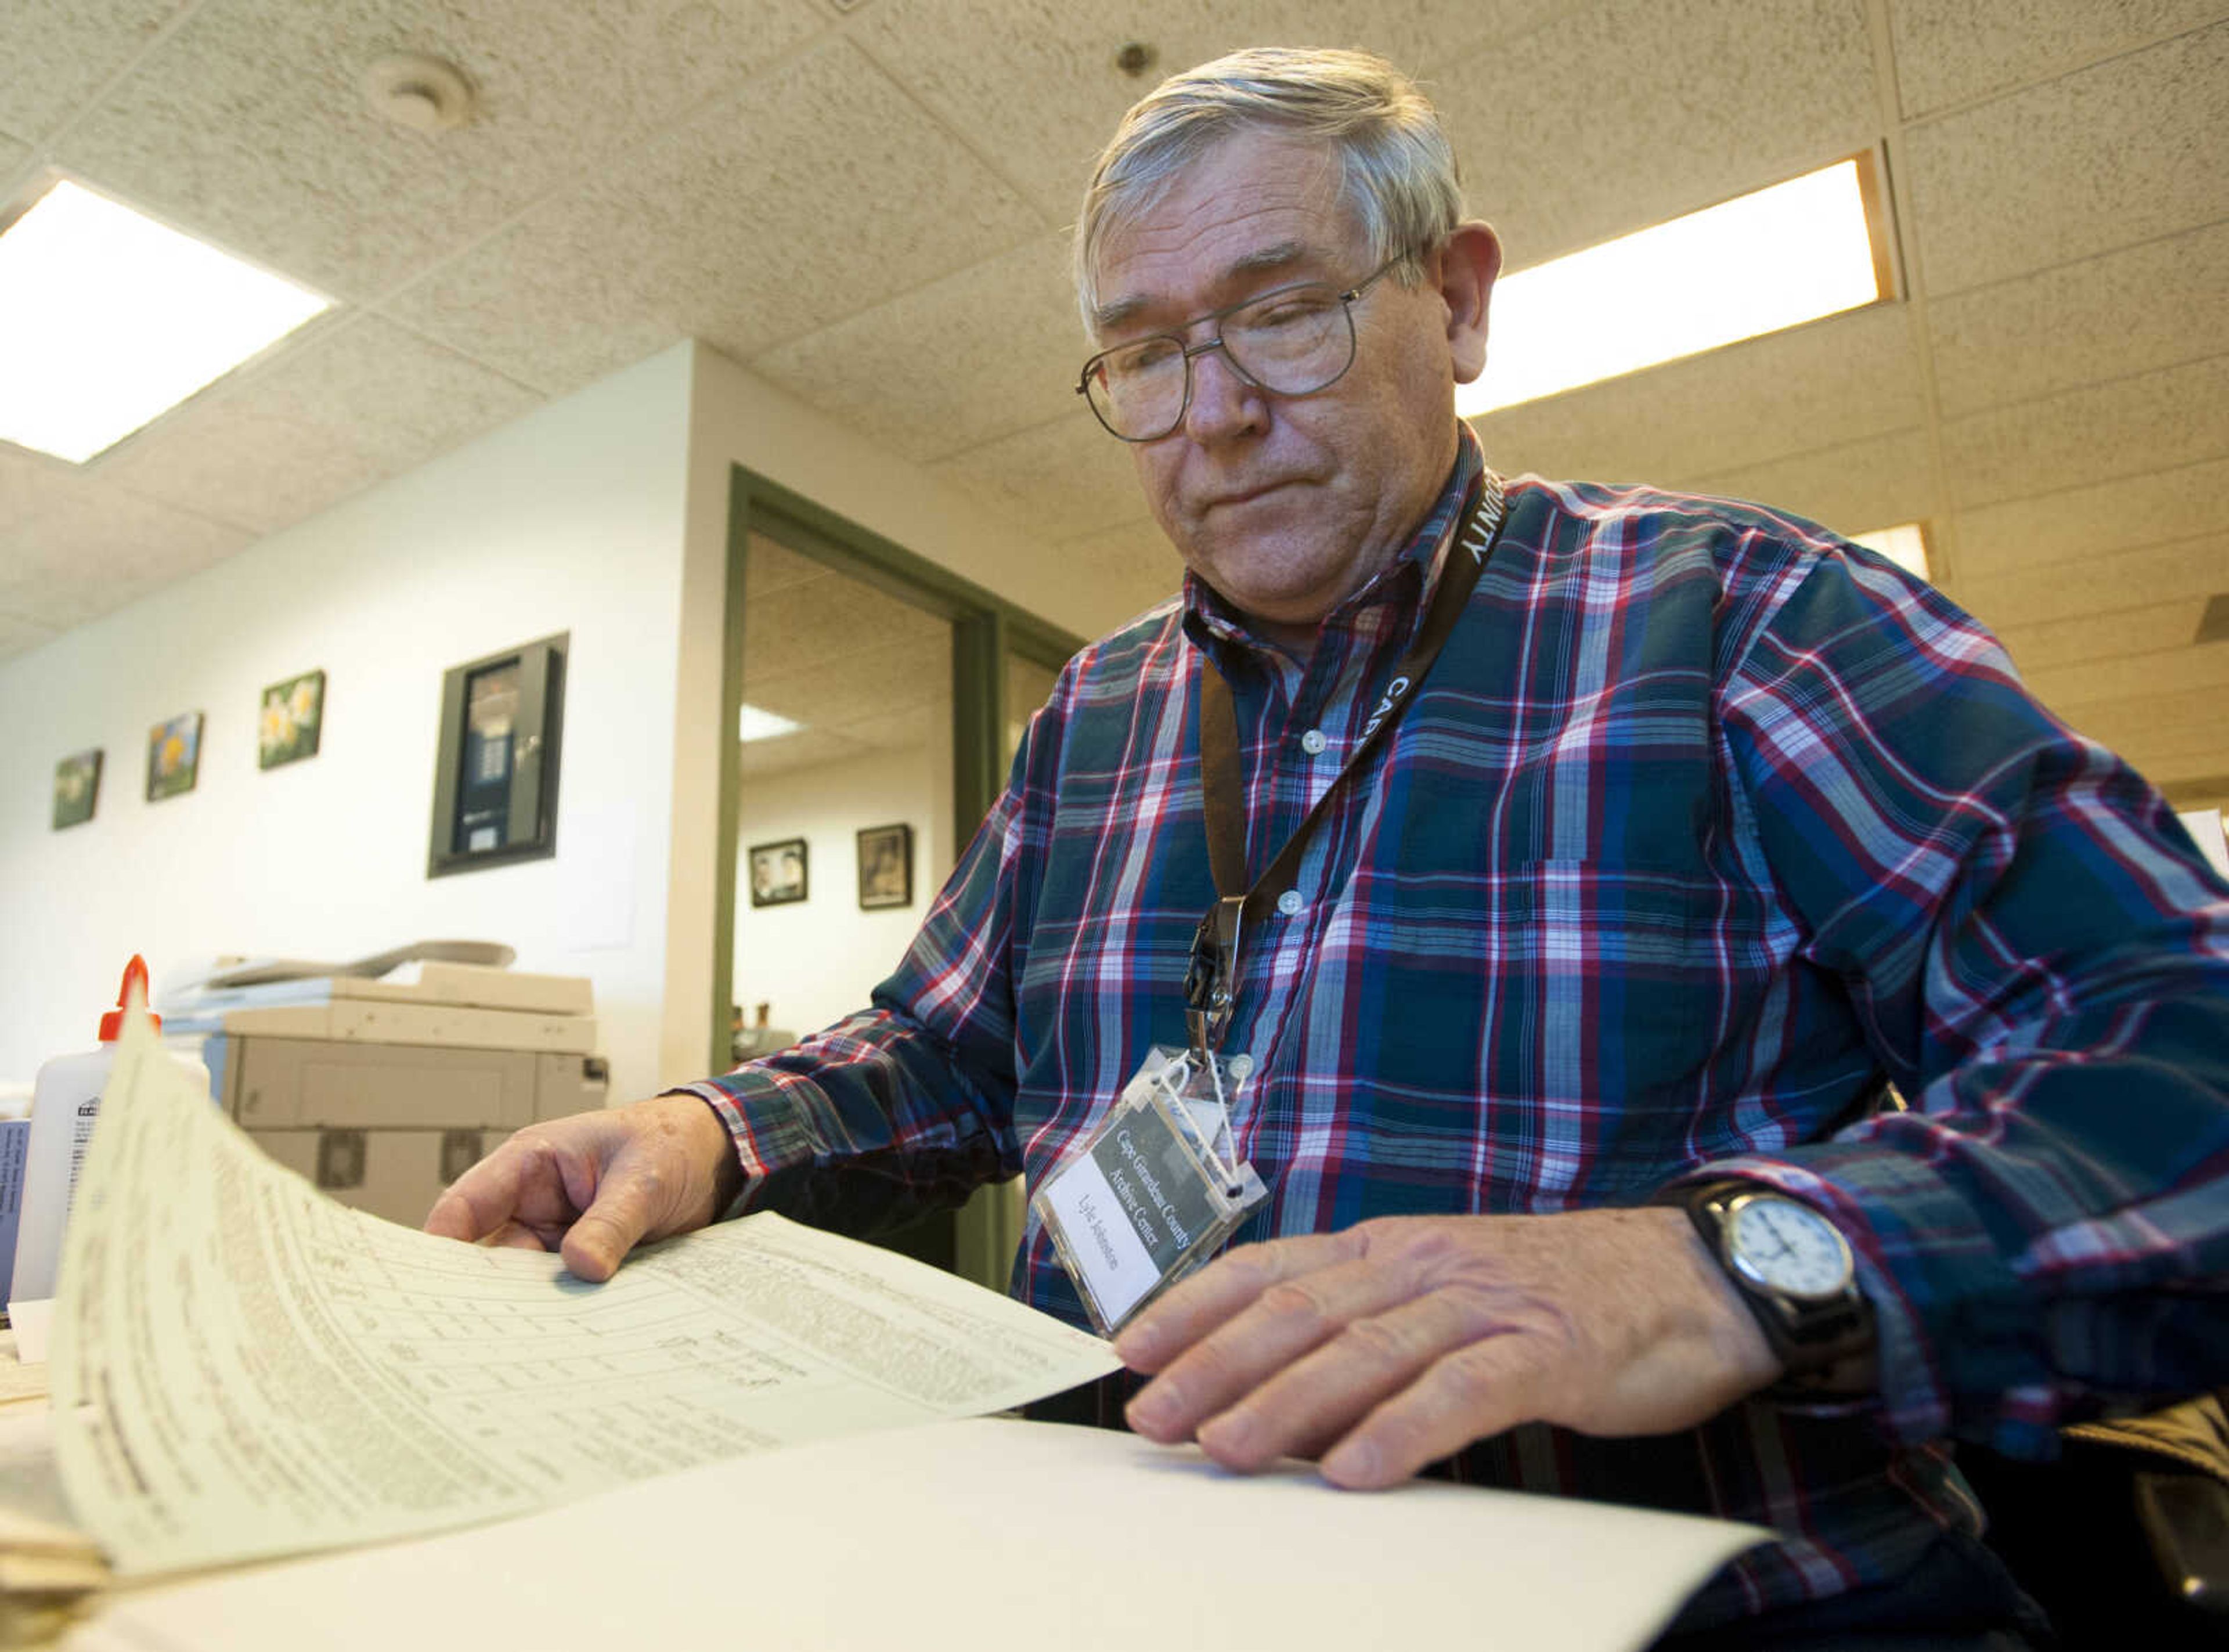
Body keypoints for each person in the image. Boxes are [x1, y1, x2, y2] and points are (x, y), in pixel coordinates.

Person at [427, 47, 2229, 1647]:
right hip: (1116, 1576)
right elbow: (951, 1049)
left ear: (1455, 305)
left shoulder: (1749, 621)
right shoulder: (1100, 715)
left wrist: (1734, 1267)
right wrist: (706, 1126)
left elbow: (2182, 1056)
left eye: (1281, 312)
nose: (1210, 413)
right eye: (1144, 355)